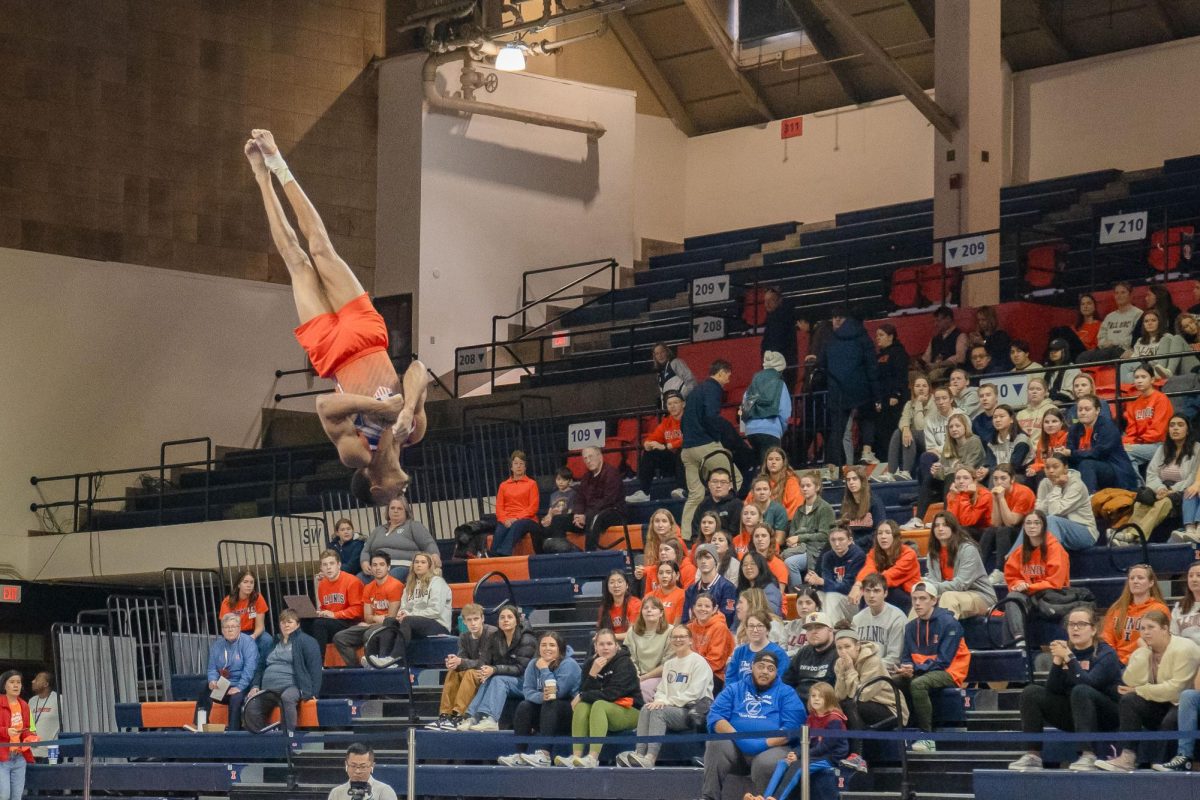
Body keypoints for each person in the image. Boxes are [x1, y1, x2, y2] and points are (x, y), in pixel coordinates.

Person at [245, 130, 425, 507]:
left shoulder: (357, 455)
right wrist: (406, 408)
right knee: (323, 247)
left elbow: (324, 407)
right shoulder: (413, 432)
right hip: (368, 336)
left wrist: (379, 409)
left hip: (334, 354)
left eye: (394, 499)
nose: (402, 498)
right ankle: (279, 161)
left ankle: (263, 174)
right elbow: (418, 370)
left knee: (298, 261)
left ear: (376, 490)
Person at [1006, 605, 1122, 773]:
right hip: (1076, 714)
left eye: (1081, 624)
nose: (1075, 628)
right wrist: (1058, 661)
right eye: (1071, 624)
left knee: (1081, 690)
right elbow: (1053, 690)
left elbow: (1089, 683)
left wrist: (1068, 657)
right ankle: (1033, 755)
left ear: (1093, 629)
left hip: (1106, 715)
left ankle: (1088, 754)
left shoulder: (1106, 654)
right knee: (1031, 692)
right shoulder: (1067, 652)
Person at [1097, 611, 1200, 772]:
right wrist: (1144, 653)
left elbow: (1175, 690)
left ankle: (1166, 762)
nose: (1145, 632)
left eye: (1151, 627)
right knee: (1129, 700)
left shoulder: (1184, 648)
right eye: (1142, 628)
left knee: (1170, 718)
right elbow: (1129, 680)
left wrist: (1140, 689)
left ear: (1165, 628)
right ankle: (1127, 757)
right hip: (1160, 702)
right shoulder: (1145, 651)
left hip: (1184, 705)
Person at [701, 651, 807, 800]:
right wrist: (740, 739)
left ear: (776, 672)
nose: (764, 671)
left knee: (764, 763)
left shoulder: (787, 693)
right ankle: (709, 797)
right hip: (736, 749)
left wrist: (761, 744)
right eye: (761, 666)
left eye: (770, 669)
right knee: (715, 744)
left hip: (773, 748)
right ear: (752, 667)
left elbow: (792, 728)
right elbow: (715, 717)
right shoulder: (734, 689)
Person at [616, 624, 715, 768]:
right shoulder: (669, 664)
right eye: (674, 637)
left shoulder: (699, 662)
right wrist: (660, 700)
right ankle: (639, 753)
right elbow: (662, 689)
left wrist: (666, 702)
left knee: (658, 711)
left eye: (682, 637)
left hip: (692, 711)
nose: (678, 640)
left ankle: (650, 758)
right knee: (646, 708)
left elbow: (695, 693)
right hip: (671, 708)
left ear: (690, 640)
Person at [894, 581, 971, 752]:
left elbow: (944, 661)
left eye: (923, 598)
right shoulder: (910, 626)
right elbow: (906, 657)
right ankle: (903, 729)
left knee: (918, 684)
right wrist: (906, 668)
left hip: (950, 672)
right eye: (914, 599)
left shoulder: (950, 623)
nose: (917, 603)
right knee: (895, 681)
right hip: (923, 671)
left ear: (934, 600)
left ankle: (927, 736)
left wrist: (915, 670)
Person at [555, 629, 641, 768]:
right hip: (604, 710)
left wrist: (583, 695)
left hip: (631, 710)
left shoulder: (625, 663)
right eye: (601, 644)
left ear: (616, 646)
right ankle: (576, 756)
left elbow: (612, 694)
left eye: (609, 644)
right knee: (583, 706)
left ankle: (592, 758)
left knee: (598, 704)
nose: (605, 648)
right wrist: (592, 674)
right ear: (596, 646)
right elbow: (584, 690)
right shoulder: (591, 663)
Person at [497, 631, 582, 767]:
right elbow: (528, 691)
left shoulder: (569, 664)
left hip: (568, 714)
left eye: (552, 645)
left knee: (551, 703)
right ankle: (519, 754)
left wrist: (544, 670)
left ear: (560, 648)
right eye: (544, 645)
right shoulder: (533, 664)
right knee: (524, 706)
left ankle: (545, 755)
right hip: (546, 712)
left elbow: (557, 693)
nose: (547, 648)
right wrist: (542, 696)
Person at [752, 681, 847, 800]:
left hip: (829, 757)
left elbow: (826, 747)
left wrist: (801, 756)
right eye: (813, 696)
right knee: (783, 763)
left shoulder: (834, 719)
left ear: (829, 699)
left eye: (821, 696)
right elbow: (805, 741)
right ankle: (765, 797)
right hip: (812, 754)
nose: (816, 699)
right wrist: (796, 753)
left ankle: (777, 798)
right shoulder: (811, 717)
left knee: (799, 766)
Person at [833, 626, 908, 773]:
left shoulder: (873, 661)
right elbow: (839, 695)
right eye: (839, 648)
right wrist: (842, 673)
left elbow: (863, 695)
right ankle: (840, 754)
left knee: (852, 705)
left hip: (891, 709)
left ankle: (859, 757)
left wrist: (850, 671)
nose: (843, 652)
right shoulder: (839, 663)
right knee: (840, 706)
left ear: (857, 646)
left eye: (847, 646)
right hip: (863, 707)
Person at [681, 359, 739, 534]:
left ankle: (687, 535)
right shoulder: (713, 388)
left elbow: (683, 420)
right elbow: (711, 416)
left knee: (695, 495)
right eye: (728, 375)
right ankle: (728, 526)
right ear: (721, 372)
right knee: (735, 479)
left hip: (687, 449)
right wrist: (718, 439)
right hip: (705, 445)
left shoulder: (695, 391)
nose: (729, 379)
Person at [366, 553, 452, 668]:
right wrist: (401, 614)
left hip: (438, 624)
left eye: (423, 562)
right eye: (416, 562)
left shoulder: (437, 582)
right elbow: (404, 608)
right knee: (389, 621)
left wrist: (408, 615)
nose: (419, 565)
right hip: (415, 624)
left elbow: (435, 610)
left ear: (429, 566)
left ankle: (394, 659)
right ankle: (382, 660)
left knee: (408, 620)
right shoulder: (410, 585)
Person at [244, 609, 323, 734]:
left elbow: (315, 667)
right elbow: (260, 666)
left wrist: (314, 692)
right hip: (268, 689)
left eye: (289, 622)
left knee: (287, 698)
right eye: (283, 622)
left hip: (292, 686)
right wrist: (255, 685)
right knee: (252, 705)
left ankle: (288, 738)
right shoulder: (273, 642)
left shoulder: (307, 641)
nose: (286, 625)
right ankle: (263, 742)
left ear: (297, 624)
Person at [460, 604, 536, 731]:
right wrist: (484, 670)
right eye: (502, 617)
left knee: (497, 679)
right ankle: (471, 717)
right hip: (507, 678)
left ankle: (491, 719)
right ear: (498, 622)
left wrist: (494, 670)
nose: (505, 620)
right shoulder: (495, 637)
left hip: (526, 682)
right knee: (489, 679)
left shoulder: (527, 638)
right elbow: (484, 660)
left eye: (509, 617)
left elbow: (521, 668)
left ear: (517, 621)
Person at [820, 308, 880, 466]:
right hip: (861, 388)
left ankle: (834, 466)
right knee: (867, 416)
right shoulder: (863, 337)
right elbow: (871, 366)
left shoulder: (830, 340)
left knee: (837, 430)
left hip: (837, 390)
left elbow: (822, 365)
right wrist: (877, 395)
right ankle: (866, 451)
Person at [1125, 414, 1198, 544]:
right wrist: (1160, 488)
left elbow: (1192, 477)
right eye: (1172, 425)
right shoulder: (1163, 448)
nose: (1175, 428)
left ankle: (1135, 536)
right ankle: (1127, 534)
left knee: (1163, 503)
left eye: (1180, 425)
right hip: (1161, 487)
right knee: (1142, 501)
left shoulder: (1196, 448)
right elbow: (1152, 472)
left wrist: (1171, 490)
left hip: (1181, 490)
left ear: (1188, 431)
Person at [1001, 511, 1070, 644]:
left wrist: (1029, 587)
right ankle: (1019, 640)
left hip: (1052, 596)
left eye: (1036, 523)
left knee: (1011, 605)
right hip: (1029, 596)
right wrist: (1019, 583)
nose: (1032, 526)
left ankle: (1012, 649)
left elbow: (1056, 582)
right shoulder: (1019, 551)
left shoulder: (1055, 548)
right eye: (1028, 523)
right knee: (1013, 600)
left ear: (1044, 526)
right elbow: (1011, 576)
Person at [428, 603, 496, 731]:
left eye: (476, 619)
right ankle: (445, 715)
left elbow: (484, 662)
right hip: (474, 671)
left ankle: (458, 716)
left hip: (491, 672)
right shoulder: (464, 637)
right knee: (453, 671)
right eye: (469, 620)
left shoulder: (491, 633)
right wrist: (453, 662)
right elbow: (461, 662)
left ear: (482, 619)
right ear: (464, 622)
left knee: (470, 673)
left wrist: (461, 662)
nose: (473, 623)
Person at [909, 411, 983, 529]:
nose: (954, 429)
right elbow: (941, 468)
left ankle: (945, 518)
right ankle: (917, 519)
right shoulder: (948, 445)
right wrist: (936, 471)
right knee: (930, 478)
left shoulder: (974, 441)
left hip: (971, 480)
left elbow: (968, 468)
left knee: (952, 476)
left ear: (965, 427)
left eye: (957, 426)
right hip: (950, 480)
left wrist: (946, 469)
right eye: (951, 427)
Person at [1160, 563, 1200, 770]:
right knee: (1186, 699)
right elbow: (1172, 641)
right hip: (1185, 667)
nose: (1194, 579)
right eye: (1191, 575)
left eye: (1199, 575)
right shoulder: (1179, 607)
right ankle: (1183, 757)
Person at [189, 613, 258, 732]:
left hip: (242, 685)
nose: (230, 629)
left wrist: (239, 687)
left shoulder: (248, 643)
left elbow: (250, 669)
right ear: (222, 630)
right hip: (224, 685)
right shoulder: (217, 646)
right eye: (226, 627)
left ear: (239, 628)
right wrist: (212, 680)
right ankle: (199, 724)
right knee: (204, 686)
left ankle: (233, 731)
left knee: (236, 698)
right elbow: (212, 668)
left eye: (233, 626)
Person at [333, 551, 403, 667]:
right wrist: (374, 619)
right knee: (340, 637)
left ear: (388, 567)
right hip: (371, 625)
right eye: (374, 565)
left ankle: (373, 666)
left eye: (381, 564)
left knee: (369, 633)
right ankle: (357, 670)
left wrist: (373, 619)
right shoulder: (368, 587)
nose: (378, 568)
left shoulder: (395, 586)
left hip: (390, 627)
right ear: (370, 567)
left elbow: (391, 618)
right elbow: (367, 617)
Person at [551, 446, 626, 552]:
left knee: (593, 517)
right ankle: (565, 553)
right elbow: (580, 498)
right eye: (585, 458)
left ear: (600, 456)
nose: (588, 461)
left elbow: (608, 501)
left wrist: (585, 515)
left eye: (590, 457)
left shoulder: (611, 474)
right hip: (588, 514)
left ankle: (589, 554)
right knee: (558, 520)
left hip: (612, 512)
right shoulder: (586, 477)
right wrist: (578, 514)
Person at [924, 511, 996, 620]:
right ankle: (910, 636)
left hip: (981, 596)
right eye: (937, 525)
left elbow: (961, 584)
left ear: (953, 528)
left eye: (945, 525)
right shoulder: (932, 554)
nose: (940, 529)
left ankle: (947, 636)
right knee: (921, 600)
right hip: (947, 594)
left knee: (948, 598)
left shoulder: (968, 550)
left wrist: (930, 587)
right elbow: (934, 580)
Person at [1100, 564, 1170, 665]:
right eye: (1132, 578)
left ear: (1151, 583)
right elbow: (1106, 639)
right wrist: (1111, 660)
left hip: (1144, 662)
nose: (1135, 581)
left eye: (1140, 578)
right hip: (1114, 662)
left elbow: (1156, 643)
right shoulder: (1116, 609)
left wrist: (1126, 661)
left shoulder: (1159, 609)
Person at [1065, 396, 1138, 492]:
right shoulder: (1075, 429)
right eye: (1080, 409)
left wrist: (1072, 453)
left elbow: (1098, 453)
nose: (1083, 412)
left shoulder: (1107, 427)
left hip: (1115, 470)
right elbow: (1070, 450)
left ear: (1097, 410)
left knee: (1087, 464)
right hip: (1088, 468)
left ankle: (1090, 501)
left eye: (1087, 409)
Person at [627, 391, 687, 504]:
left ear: (683, 404)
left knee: (681, 451)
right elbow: (653, 437)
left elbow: (690, 438)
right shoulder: (666, 422)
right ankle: (644, 492)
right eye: (669, 404)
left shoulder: (690, 418)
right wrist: (648, 444)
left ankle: (681, 489)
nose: (673, 406)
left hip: (690, 459)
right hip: (672, 462)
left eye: (676, 403)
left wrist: (667, 446)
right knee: (650, 453)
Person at [360, 497, 439, 582]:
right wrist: (364, 562)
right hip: (377, 568)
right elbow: (366, 550)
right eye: (392, 508)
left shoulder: (413, 526)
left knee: (389, 579)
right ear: (388, 511)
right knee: (358, 580)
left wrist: (434, 555)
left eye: (399, 508)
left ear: (406, 511)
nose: (395, 511)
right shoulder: (378, 530)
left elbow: (428, 543)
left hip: (403, 568)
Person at [862, 323, 910, 463]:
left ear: (891, 336)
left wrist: (896, 393)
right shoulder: (878, 356)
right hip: (882, 399)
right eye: (876, 335)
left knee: (892, 430)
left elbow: (900, 375)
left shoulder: (898, 353)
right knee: (882, 431)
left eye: (881, 335)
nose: (878, 338)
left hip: (894, 399)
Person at [979, 464, 1037, 578]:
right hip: (1008, 529)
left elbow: (1012, 522)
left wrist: (1000, 498)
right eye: (995, 479)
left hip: (1026, 532)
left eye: (1003, 478)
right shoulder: (996, 493)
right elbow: (995, 523)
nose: (999, 482)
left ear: (1012, 479)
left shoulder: (1023, 492)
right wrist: (996, 500)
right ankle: (976, 570)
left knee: (1003, 530)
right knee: (990, 531)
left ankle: (1001, 571)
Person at [850, 520, 920, 610]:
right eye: (880, 533)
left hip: (908, 596)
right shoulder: (874, 553)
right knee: (868, 592)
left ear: (895, 536)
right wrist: (858, 585)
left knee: (878, 591)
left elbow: (891, 575)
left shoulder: (909, 554)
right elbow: (868, 569)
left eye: (887, 533)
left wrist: (865, 586)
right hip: (884, 589)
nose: (883, 537)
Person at [1033, 455, 1099, 550]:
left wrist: (1057, 487)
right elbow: (1039, 513)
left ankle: (1050, 558)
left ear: (1065, 468)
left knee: (1052, 520)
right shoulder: (1044, 483)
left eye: (1055, 467)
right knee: (1031, 522)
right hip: (1057, 529)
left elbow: (1055, 512)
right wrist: (1051, 495)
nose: (1051, 471)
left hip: (1084, 532)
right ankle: (1012, 557)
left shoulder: (1077, 485)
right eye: (1047, 467)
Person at [306, 550, 364, 656]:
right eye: (325, 564)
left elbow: (358, 610)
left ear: (339, 565)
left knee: (320, 624)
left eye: (332, 563)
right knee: (304, 622)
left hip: (350, 622)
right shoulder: (322, 584)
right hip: (332, 621)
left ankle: (319, 664)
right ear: (321, 568)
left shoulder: (352, 581)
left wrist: (334, 615)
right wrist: (320, 613)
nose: (328, 567)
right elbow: (325, 607)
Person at [805, 525, 865, 625]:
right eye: (833, 540)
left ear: (849, 540)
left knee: (832, 596)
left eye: (841, 539)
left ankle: (832, 632)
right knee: (816, 597)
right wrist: (815, 581)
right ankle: (815, 630)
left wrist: (822, 582)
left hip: (854, 602)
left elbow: (848, 588)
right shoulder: (828, 556)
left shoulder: (858, 555)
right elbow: (826, 585)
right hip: (835, 598)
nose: (837, 544)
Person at [782, 472, 834, 584]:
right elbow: (792, 533)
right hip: (800, 547)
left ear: (817, 487)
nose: (805, 489)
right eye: (802, 486)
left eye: (808, 486)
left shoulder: (825, 508)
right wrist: (793, 542)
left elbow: (825, 535)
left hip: (817, 549)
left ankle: (798, 594)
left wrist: (799, 538)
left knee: (791, 563)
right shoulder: (799, 509)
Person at [879, 375, 933, 482]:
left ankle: (906, 471)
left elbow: (921, 426)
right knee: (898, 432)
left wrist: (918, 404)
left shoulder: (934, 403)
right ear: (913, 389)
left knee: (910, 432)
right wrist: (905, 429)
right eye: (917, 386)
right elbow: (903, 420)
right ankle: (891, 472)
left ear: (929, 388)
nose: (921, 388)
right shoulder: (909, 403)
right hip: (915, 438)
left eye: (924, 386)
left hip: (930, 439)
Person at [1122, 363, 1173, 471]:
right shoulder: (1134, 404)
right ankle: (1137, 486)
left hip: (1161, 445)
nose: (1139, 380)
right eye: (1136, 377)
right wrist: (1125, 443)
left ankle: (1136, 486)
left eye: (1143, 377)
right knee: (1120, 450)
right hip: (1141, 445)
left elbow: (1158, 431)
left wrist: (1135, 443)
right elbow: (1131, 431)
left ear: (1152, 380)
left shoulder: (1161, 399)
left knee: (1125, 451)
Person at [743, 351, 792, 463]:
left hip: (751, 431)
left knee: (758, 466)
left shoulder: (753, 383)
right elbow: (785, 411)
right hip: (771, 430)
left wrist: (747, 426)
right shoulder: (780, 384)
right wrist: (781, 429)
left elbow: (745, 407)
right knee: (771, 468)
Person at [489, 450, 542, 556]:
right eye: (516, 463)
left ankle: (504, 553)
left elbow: (533, 508)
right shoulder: (503, 485)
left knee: (518, 525)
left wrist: (516, 518)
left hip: (527, 519)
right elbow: (499, 508)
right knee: (500, 531)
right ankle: (492, 556)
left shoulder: (532, 484)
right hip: (507, 519)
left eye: (521, 463)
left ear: (525, 467)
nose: (519, 466)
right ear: (511, 467)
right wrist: (505, 520)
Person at [1078, 281, 1142, 363]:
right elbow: (1101, 338)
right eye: (1117, 293)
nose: (1119, 296)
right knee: (1082, 357)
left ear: (1130, 295)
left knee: (1115, 351)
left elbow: (1137, 338)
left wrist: (1115, 343)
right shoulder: (1109, 317)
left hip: (1125, 351)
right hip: (1106, 351)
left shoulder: (1138, 314)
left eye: (1123, 292)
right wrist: (1105, 344)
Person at [851, 573, 906, 668]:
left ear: (885, 593)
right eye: (867, 591)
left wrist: (868, 666)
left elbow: (894, 659)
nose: (871, 595)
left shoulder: (897, 618)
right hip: (861, 668)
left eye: (876, 591)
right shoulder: (857, 619)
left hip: (885, 672)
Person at [783, 612, 838, 703]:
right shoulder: (803, 652)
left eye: (819, 627)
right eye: (809, 629)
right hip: (798, 704)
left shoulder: (838, 653)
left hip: (824, 706)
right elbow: (787, 681)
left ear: (830, 630)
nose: (813, 632)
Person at [220, 570, 273, 665]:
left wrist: (253, 636)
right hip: (235, 633)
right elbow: (227, 627)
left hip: (253, 632)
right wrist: (239, 638)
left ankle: (261, 668)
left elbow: (260, 626)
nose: (249, 585)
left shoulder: (257, 598)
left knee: (267, 640)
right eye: (245, 582)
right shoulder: (227, 601)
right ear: (239, 585)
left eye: (251, 582)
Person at [625, 596, 671, 702]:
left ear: (661, 613)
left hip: (661, 677)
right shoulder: (632, 632)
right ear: (641, 612)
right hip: (636, 676)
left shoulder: (670, 631)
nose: (649, 610)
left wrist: (644, 678)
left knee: (642, 689)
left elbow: (668, 664)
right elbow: (629, 659)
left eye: (654, 608)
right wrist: (636, 676)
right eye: (645, 608)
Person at [688, 592, 737, 692]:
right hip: (689, 672)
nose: (702, 609)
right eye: (699, 605)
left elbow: (716, 662)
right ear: (693, 608)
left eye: (707, 606)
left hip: (715, 675)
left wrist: (690, 670)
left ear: (714, 609)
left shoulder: (720, 628)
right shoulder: (689, 628)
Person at [726, 611, 790, 683]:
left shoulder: (778, 653)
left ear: (768, 630)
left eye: (760, 626)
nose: (755, 630)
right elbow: (730, 679)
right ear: (746, 629)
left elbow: (780, 682)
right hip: (739, 692)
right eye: (751, 626)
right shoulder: (739, 651)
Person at [0, 670, 35, 798]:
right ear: (4, 685)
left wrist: (31, 737)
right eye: (12, 682)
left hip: (19, 757)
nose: (16, 685)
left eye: (18, 682)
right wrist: (6, 731)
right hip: (2, 757)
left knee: (16, 796)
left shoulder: (24, 705)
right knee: (3, 795)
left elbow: (26, 729)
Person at [328, 743, 398, 800]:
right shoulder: (336, 793)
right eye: (353, 766)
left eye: (363, 766)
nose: (357, 771)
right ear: (346, 765)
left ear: (372, 766)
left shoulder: (384, 791)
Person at [839, 467, 886, 551]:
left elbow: (879, 531)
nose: (851, 482)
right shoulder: (846, 503)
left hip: (869, 546)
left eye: (854, 479)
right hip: (850, 545)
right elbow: (843, 528)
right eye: (848, 480)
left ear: (862, 481)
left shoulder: (874, 502)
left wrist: (857, 543)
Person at [760, 288, 798, 387]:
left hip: (780, 368)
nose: (767, 304)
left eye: (770, 301)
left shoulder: (779, 319)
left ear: (779, 301)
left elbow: (776, 344)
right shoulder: (774, 319)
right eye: (765, 301)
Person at [634, 508, 681, 589]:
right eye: (657, 521)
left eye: (664, 521)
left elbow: (681, 563)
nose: (660, 525)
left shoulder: (678, 541)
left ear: (671, 525)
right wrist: (641, 571)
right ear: (652, 524)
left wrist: (646, 570)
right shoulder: (651, 542)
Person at [693, 468, 744, 541]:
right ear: (709, 484)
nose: (718, 485)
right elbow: (695, 531)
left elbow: (735, 533)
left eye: (723, 482)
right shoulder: (703, 505)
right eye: (715, 482)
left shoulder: (737, 505)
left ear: (730, 485)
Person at [920, 306, 969, 382]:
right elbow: (926, 357)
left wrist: (938, 365)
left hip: (949, 370)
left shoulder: (960, 335)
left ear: (948, 319)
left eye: (938, 321)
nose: (935, 324)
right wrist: (919, 364)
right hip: (932, 368)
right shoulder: (935, 339)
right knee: (913, 375)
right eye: (935, 321)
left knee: (933, 375)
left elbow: (960, 358)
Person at [1024, 407, 1068, 488]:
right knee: (1029, 475)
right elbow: (1038, 461)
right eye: (1046, 422)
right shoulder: (1042, 440)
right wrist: (1033, 468)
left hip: (1061, 471)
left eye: (1054, 421)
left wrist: (1038, 467)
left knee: (1041, 474)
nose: (1050, 425)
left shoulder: (1067, 437)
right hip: (1045, 469)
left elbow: (1060, 462)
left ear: (1061, 423)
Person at [944, 467, 993, 539]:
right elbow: (951, 520)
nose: (961, 481)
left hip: (985, 532)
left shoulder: (984, 495)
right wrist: (956, 497)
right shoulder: (953, 494)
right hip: (963, 529)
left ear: (974, 481)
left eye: (966, 478)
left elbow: (967, 522)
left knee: (961, 530)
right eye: (958, 478)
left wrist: (964, 495)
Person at [983, 404, 1030, 480]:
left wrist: (990, 470)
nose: (997, 420)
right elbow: (990, 464)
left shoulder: (1021, 440)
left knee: (996, 478)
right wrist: (985, 470)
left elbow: (1014, 467)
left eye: (1001, 416)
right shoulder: (992, 442)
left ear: (1011, 419)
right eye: (995, 417)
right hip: (999, 475)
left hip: (1020, 476)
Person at [754, 448, 802, 520]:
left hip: (786, 524)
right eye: (770, 459)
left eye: (777, 459)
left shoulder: (791, 482)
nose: (773, 462)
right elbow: (749, 504)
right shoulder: (761, 481)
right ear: (766, 462)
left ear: (783, 462)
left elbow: (794, 510)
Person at [598, 570, 642, 641]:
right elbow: (601, 631)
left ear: (627, 585)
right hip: (611, 643)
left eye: (620, 582)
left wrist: (608, 637)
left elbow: (632, 635)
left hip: (630, 644)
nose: (616, 585)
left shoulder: (636, 604)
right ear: (607, 586)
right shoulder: (604, 607)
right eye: (612, 582)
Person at [746, 476, 790, 546]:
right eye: (758, 489)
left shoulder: (779, 509)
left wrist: (762, 547)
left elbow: (780, 540)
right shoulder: (749, 510)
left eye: (765, 489)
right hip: (751, 547)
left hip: (773, 549)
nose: (762, 492)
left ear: (770, 492)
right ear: (752, 492)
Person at [738, 552, 783, 618]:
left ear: (761, 566)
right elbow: (737, 618)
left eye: (753, 564)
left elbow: (770, 613)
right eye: (745, 565)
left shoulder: (770, 589)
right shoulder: (742, 589)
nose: (748, 567)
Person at [1016, 378, 1055, 450]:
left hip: (1043, 452)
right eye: (1031, 389)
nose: (1034, 392)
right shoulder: (1020, 414)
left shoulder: (1051, 410)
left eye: (1038, 389)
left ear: (1046, 392)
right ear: (1027, 392)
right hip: (1023, 453)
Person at [970, 305, 1013, 371]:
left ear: (991, 319)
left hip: (999, 367)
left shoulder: (1001, 335)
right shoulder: (980, 335)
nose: (980, 323)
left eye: (983, 320)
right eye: (979, 320)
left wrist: (982, 342)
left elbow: (998, 352)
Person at [28, 672, 58, 763]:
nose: (33, 681)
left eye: (37, 679)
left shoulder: (58, 700)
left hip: (51, 750)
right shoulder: (32, 701)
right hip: (31, 751)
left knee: (51, 775)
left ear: (46, 684)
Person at [1044, 339, 1081, 405]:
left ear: (1064, 351)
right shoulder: (1048, 370)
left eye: (1056, 350)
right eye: (1051, 350)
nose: (1053, 352)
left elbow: (1068, 396)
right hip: (1049, 405)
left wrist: (1049, 395)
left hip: (1067, 406)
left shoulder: (1072, 369)